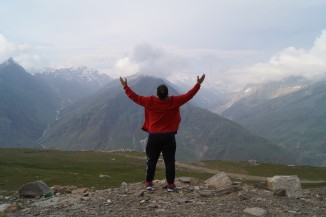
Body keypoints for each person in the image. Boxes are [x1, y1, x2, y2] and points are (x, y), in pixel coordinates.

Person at [120, 74, 205, 192]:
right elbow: (189, 95)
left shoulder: (149, 101)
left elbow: (135, 97)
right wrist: (198, 84)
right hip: (169, 136)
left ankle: (149, 183)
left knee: (152, 160)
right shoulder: (174, 101)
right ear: (167, 93)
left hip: (154, 136)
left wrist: (125, 86)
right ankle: (170, 185)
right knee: (169, 161)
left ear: (157, 94)